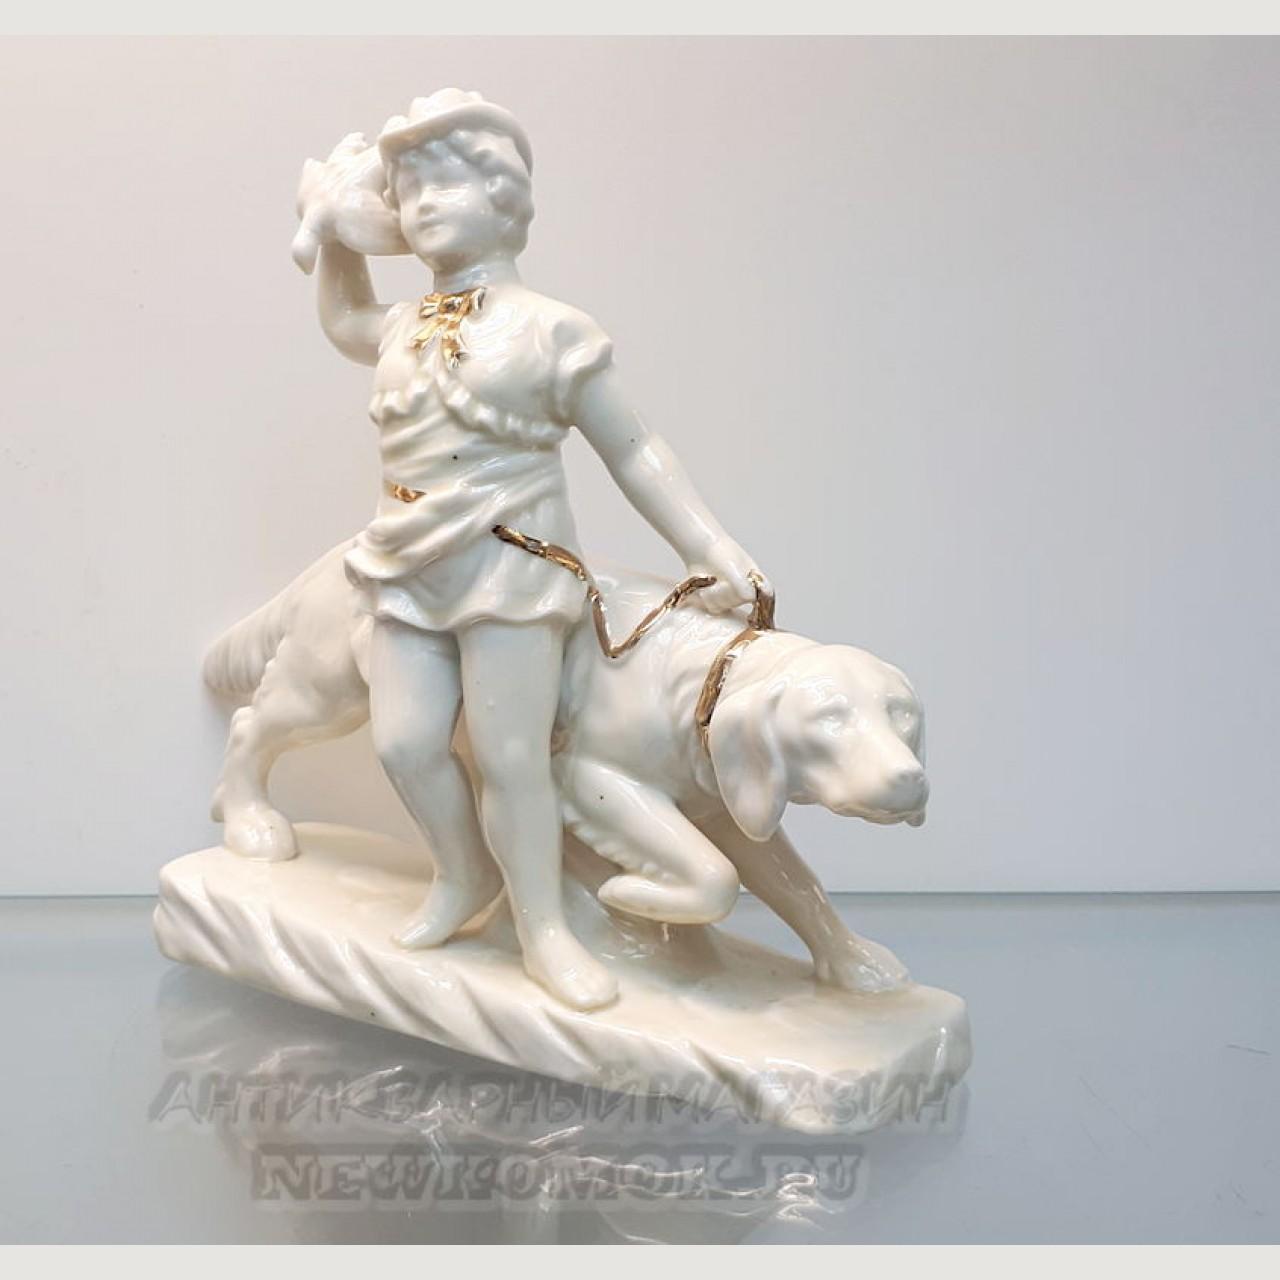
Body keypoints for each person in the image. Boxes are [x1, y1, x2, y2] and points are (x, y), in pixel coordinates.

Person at [295, 89, 767, 1010]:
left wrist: (712, 550)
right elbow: (344, 320)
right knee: (405, 743)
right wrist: (335, 231)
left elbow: (635, 449)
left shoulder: (553, 328)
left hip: (511, 566)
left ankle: (543, 927)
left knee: (512, 759)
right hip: (405, 564)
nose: (424, 205)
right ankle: (462, 872)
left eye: (446, 184)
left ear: (505, 198)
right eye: (408, 190)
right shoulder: (401, 323)